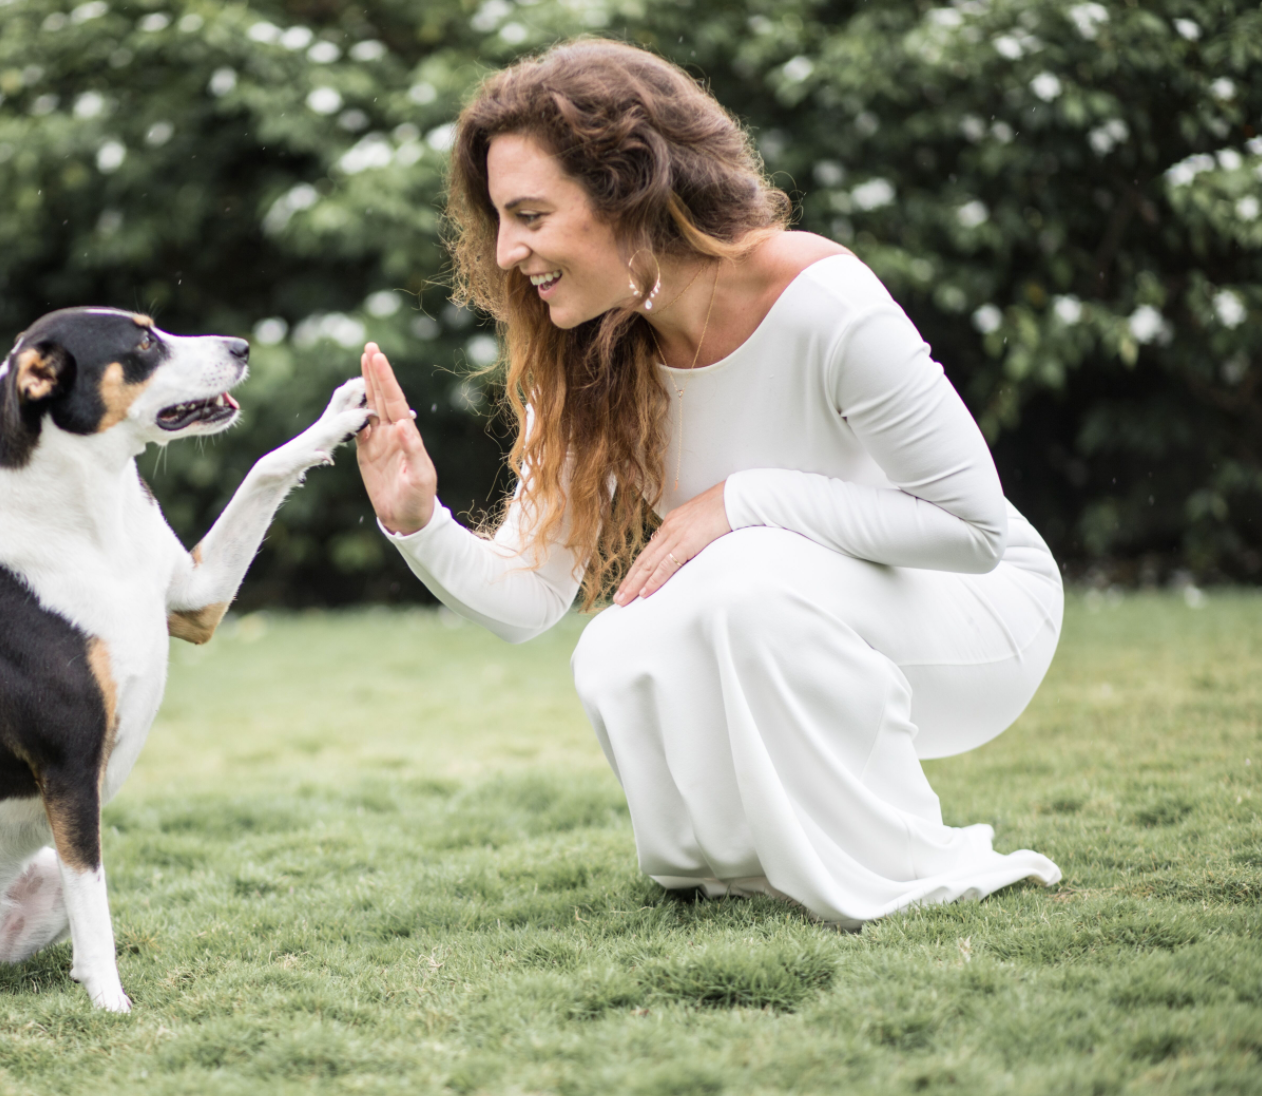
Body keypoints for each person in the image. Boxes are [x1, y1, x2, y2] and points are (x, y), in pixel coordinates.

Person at [353, 39, 1062, 928]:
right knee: (618, 642)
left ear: (628, 190)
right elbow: (533, 596)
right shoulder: (590, 352)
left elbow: (973, 530)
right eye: (499, 219)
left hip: (982, 615)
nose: (505, 252)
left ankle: (888, 860)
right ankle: (738, 868)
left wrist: (739, 504)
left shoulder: (820, 299)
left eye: (531, 214)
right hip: (785, 609)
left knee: (735, 575)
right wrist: (419, 522)